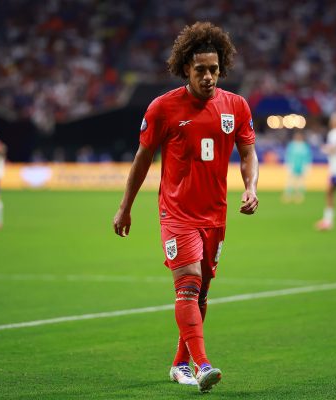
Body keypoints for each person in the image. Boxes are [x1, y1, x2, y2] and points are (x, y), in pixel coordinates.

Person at [112, 22, 259, 393]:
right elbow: (142, 160)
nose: (208, 77)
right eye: (200, 70)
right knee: (189, 287)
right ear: (185, 70)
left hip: (216, 214)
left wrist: (251, 187)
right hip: (176, 213)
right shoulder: (163, 108)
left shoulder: (236, 106)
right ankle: (203, 364)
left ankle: (180, 363)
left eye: (213, 69)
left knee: (202, 292)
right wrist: (125, 207)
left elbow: (248, 153)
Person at [282, 131, 312, 203]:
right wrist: (287, 164)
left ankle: (299, 195)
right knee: (290, 181)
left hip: (301, 166)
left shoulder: (305, 146)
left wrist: (307, 166)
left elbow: (308, 157)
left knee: (301, 182)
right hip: (293, 165)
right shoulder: (292, 145)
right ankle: (288, 195)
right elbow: (288, 155)